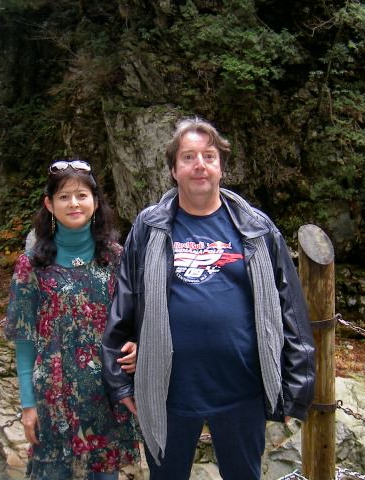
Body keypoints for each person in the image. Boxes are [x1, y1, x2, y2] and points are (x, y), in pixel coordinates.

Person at [102, 118, 316, 479]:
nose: (199, 164)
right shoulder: (149, 227)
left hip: (241, 388)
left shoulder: (256, 228)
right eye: (188, 157)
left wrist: (297, 383)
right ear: (173, 169)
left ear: (221, 166)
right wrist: (120, 380)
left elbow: (289, 307)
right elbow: (125, 301)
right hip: (167, 390)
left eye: (208, 155)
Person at [5, 159, 140, 480]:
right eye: (64, 196)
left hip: (106, 392)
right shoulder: (32, 265)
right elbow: (24, 342)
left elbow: (134, 320)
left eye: (81, 195)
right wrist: (28, 406)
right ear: (49, 205)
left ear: (95, 201)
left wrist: (136, 344)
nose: (74, 203)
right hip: (52, 397)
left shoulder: (117, 257)